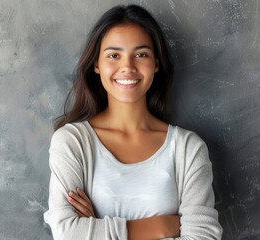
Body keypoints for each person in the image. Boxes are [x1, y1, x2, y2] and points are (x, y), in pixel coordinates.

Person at [43, 4, 223, 240]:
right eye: (113, 55)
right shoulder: (72, 142)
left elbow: (203, 237)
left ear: (156, 63)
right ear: (96, 64)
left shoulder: (188, 149)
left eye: (141, 54)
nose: (127, 67)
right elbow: (67, 233)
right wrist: (162, 226)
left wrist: (98, 227)